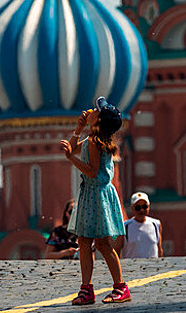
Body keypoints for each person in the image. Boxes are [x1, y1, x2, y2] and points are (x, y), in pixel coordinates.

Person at [61, 96, 130, 305]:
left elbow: (91, 171)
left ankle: (120, 287)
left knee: (100, 243)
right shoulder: (92, 138)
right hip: (93, 194)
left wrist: (71, 160)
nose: (91, 110)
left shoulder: (93, 142)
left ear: (99, 120)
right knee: (84, 241)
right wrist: (78, 128)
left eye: (96, 111)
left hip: (96, 193)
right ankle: (86, 289)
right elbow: (72, 148)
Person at [114, 192, 163, 258]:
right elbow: (117, 251)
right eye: (138, 208)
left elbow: (159, 250)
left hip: (153, 266)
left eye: (144, 207)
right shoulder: (125, 226)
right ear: (132, 208)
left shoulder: (156, 224)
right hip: (132, 267)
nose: (142, 210)